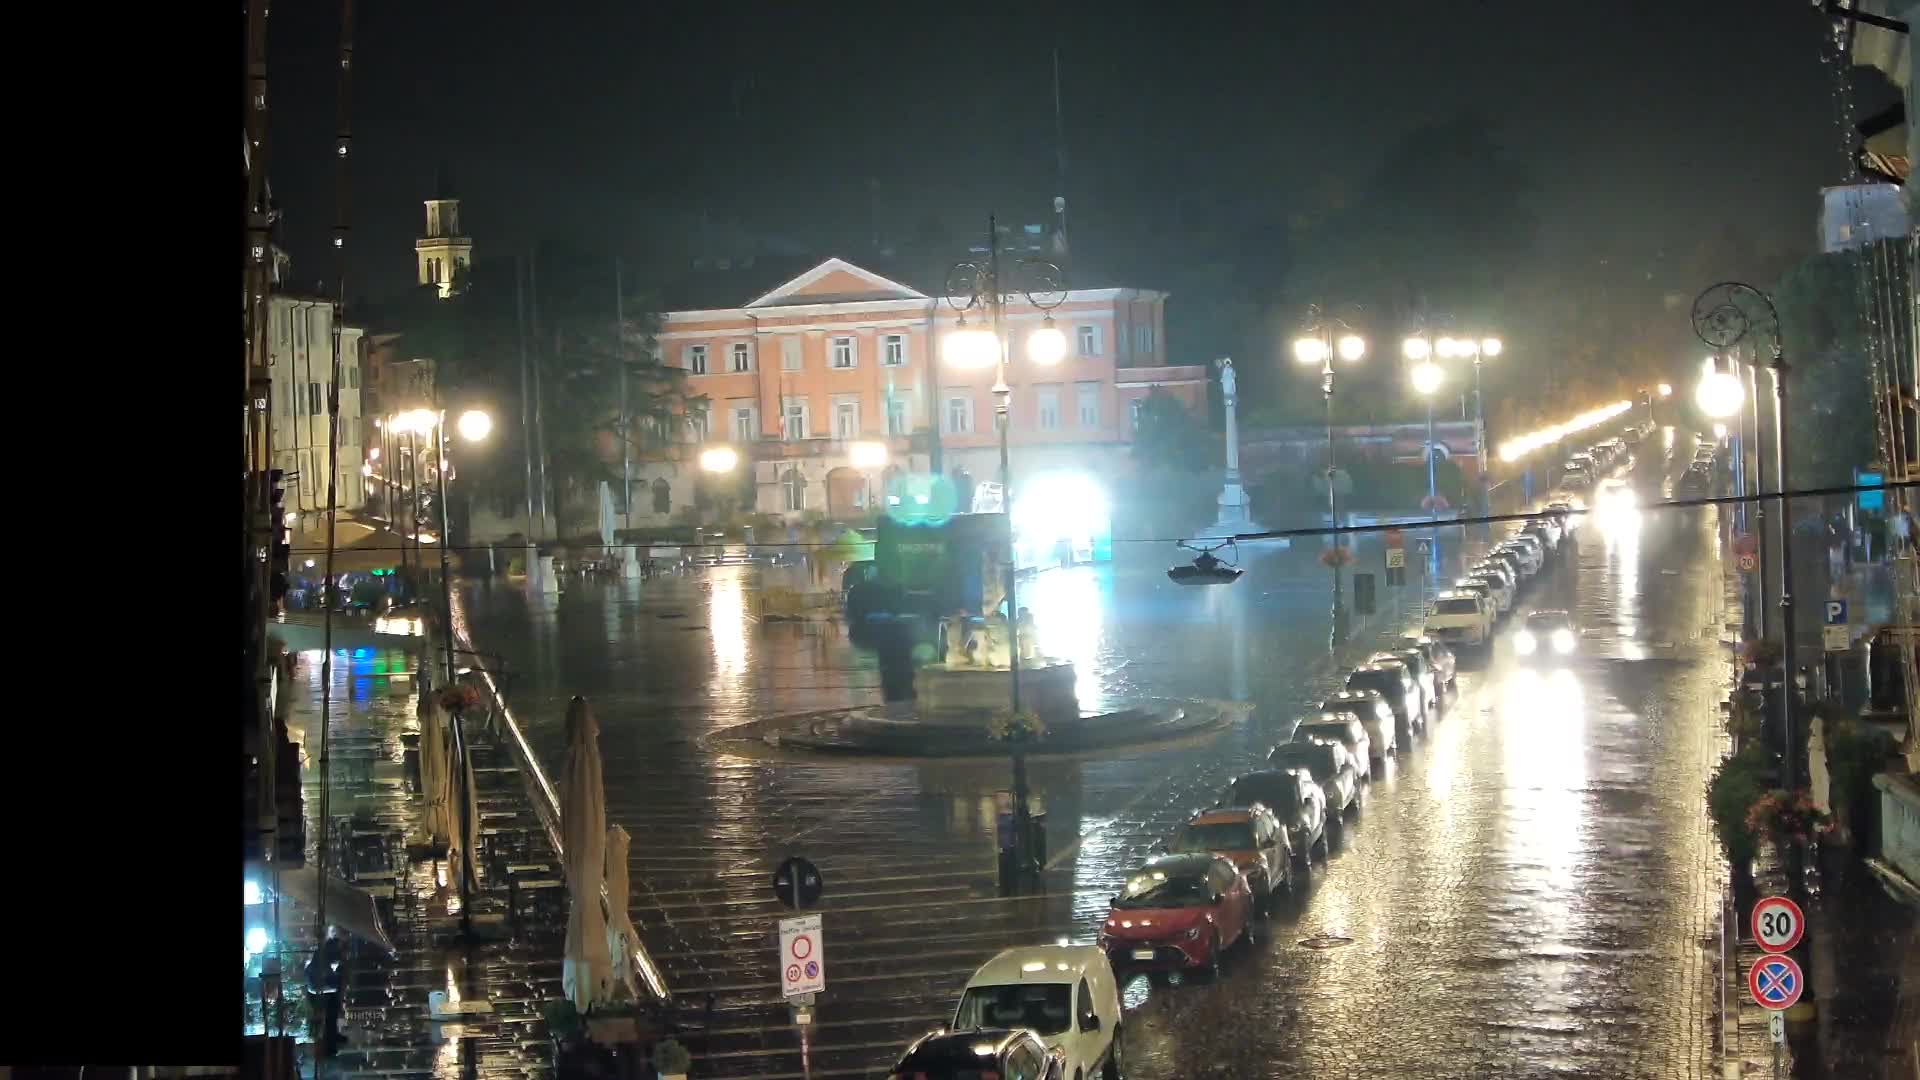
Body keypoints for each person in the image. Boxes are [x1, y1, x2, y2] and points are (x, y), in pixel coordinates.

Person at [307, 926, 346, 1056]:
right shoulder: (330, 951)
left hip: (320, 989)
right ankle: (330, 1047)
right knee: (330, 1017)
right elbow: (332, 968)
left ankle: (333, 1037)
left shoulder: (323, 951)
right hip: (324, 990)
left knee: (330, 1017)